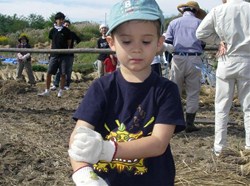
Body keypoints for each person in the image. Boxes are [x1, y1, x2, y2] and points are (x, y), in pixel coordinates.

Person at [68, 1, 186, 186]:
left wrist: (107, 149)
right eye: (126, 41)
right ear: (111, 42)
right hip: (106, 181)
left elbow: (158, 143)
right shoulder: (101, 88)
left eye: (146, 41)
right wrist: (83, 173)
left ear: (159, 43)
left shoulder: (166, 90)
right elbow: (79, 138)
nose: (136, 48)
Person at [196, 0, 250, 156]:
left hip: (226, 60)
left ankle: (219, 148)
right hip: (247, 60)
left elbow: (200, 33)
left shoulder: (218, 10)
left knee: (221, 107)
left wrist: (219, 42)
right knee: (248, 107)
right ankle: (248, 147)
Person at [165, 1, 206, 133]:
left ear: (183, 11)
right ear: (196, 12)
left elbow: (168, 42)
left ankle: (174, 122)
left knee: (174, 90)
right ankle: (189, 123)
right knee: (193, 91)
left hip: (178, 58)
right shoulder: (200, 23)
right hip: (195, 58)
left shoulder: (174, 23)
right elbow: (203, 43)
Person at [38, 12, 71, 97]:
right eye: (59, 19)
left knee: (63, 73)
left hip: (63, 55)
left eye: (62, 19)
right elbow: (51, 42)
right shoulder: (52, 30)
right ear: (56, 20)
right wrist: (50, 52)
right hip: (54, 55)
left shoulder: (66, 31)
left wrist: (67, 52)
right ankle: (47, 90)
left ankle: (61, 90)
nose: (60, 21)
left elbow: (69, 43)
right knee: (49, 73)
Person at [50, 20, 81, 91]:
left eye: (68, 25)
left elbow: (78, 40)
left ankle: (67, 85)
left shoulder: (71, 33)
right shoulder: (60, 32)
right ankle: (56, 84)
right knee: (59, 70)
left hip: (70, 54)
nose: (67, 26)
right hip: (61, 54)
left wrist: (73, 46)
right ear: (63, 25)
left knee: (69, 70)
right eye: (65, 25)